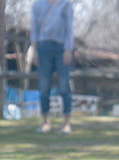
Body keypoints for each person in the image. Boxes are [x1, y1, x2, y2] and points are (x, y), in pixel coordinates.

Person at [31, 0, 74, 135]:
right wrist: (34, 51)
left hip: (61, 47)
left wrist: (68, 49)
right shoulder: (37, 5)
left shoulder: (65, 4)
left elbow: (69, 28)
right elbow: (34, 29)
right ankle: (45, 122)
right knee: (44, 86)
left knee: (64, 85)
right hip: (43, 47)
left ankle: (66, 123)